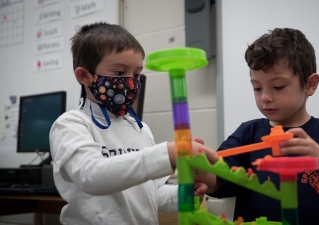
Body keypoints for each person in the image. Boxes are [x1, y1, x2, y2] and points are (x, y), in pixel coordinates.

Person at [203, 28, 319, 225]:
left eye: (279, 86)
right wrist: (202, 172)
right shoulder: (247, 133)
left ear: (310, 84)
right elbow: (218, 179)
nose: (265, 97)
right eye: (257, 88)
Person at [49, 22, 218, 225]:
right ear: (85, 76)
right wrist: (169, 153)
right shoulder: (71, 125)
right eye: (120, 73)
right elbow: (91, 176)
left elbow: (150, 192)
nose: (131, 83)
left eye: (136, 74)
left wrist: (183, 195)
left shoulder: (139, 128)